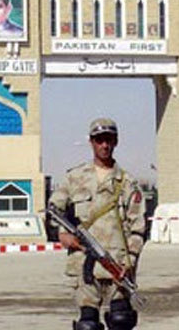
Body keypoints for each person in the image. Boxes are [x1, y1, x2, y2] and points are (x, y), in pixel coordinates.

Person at [48, 118, 146, 330]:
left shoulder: (128, 183)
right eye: (99, 140)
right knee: (88, 325)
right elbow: (52, 211)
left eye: (109, 140)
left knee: (121, 320)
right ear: (91, 142)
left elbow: (138, 227)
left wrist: (131, 260)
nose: (104, 145)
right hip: (84, 264)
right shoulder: (74, 178)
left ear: (116, 141)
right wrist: (61, 235)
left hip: (118, 265)